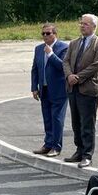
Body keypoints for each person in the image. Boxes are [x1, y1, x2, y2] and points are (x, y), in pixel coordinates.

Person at [62, 14, 98, 168]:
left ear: (94, 26)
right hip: (72, 87)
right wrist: (69, 75)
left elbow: (96, 65)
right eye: (81, 23)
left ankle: (87, 154)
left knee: (87, 123)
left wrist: (78, 77)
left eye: (86, 24)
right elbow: (66, 60)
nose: (82, 26)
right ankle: (79, 150)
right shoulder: (74, 43)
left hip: (88, 89)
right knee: (76, 122)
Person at [30, 23, 68, 157]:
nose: (45, 36)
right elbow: (35, 69)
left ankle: (56, 147)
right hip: (44, 89)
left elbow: (63, 67)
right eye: (43, 34)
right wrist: (34, 87)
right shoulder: (38, 49)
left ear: (55, 34)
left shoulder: (64, 47)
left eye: (48, 33)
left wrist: (51, 54)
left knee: (57, 119)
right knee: (47, 117)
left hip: (59, 90)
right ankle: (48, 144)